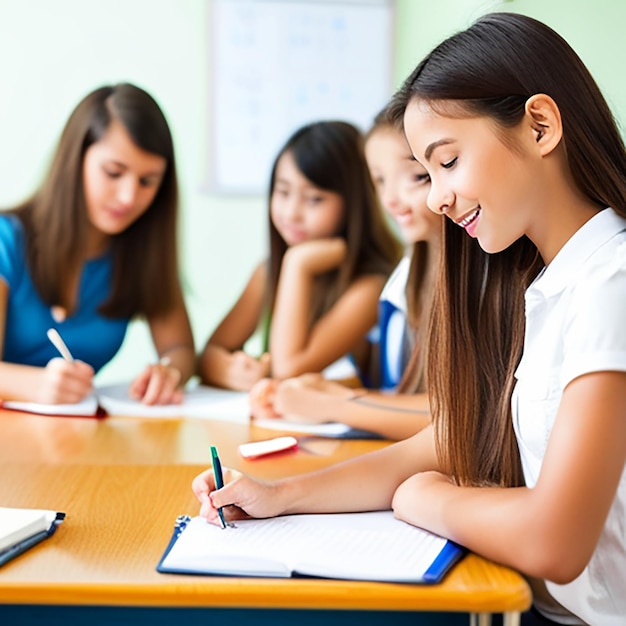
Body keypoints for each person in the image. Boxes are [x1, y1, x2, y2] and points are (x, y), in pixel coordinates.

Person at [192, 12, 626, 625]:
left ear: (539, 125)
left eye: (444, 163)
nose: (432, 198)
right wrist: (278, 497)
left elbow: (554, 541)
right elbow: (451, 440)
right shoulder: (542, 284)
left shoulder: (612, 283)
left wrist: (429, 499)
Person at [248, 106, 442, 440]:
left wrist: (335, 402)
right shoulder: (413, 270)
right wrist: (326, 391)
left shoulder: (376, 282)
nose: (391, 200)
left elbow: (456, 413)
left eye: (416, 177)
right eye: (379, 181)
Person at [0, 83, 195, 406]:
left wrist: (168, 372)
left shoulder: (142, 252)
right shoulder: (6, 240)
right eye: (113, 172)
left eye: (147, 181)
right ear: (75, 160)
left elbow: (180, 350)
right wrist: (37, 386)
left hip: (76, 443)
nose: (129, 197)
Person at [197, 120, 402, 391]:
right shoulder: (268, 272)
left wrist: (297, 265)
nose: (291, 212)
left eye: (314, 199)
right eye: (283, 192)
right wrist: (233, 372)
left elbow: (288, 369)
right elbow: (208, 355)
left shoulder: (372, 285)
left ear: (353, 204)